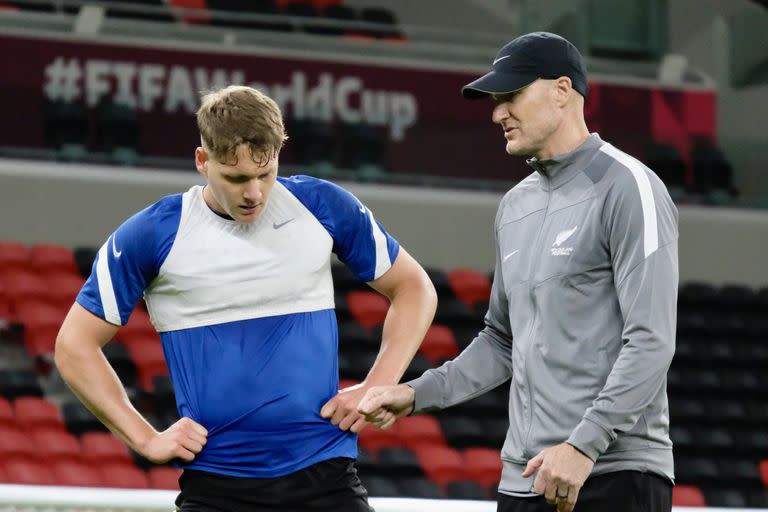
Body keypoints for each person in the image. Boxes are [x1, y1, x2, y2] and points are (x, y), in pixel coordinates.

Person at [54, 85, 437, 512]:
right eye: (236, 178)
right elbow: (74, 346)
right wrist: (145, 438)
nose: (254, 193)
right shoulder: (152, 233)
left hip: (327, 478)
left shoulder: (320, 205)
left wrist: (377, 384)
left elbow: (414, 288)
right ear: (202, 161)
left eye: (265, 173)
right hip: (217, 488)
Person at [358, 31, 678, 512]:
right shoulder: (515, 206)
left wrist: (582, 445)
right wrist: (414, 394)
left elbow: (652, 338)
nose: (497, 112)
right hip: (525, 479)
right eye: (494, 101)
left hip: (611, 472)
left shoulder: (628, 185)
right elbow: (502, 341)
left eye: (511, 96)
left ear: (562, 90)